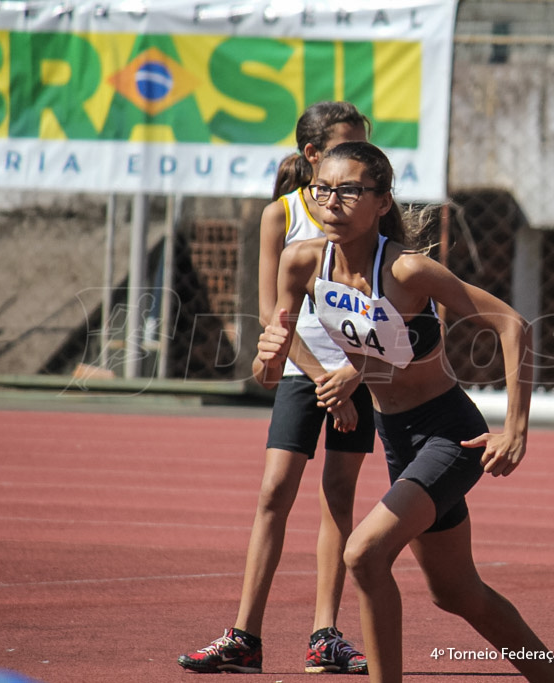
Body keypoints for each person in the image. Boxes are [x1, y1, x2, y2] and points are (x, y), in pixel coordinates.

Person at [256, 141, 554, 683]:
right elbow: (272, 361)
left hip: (451, 434)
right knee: (457, 592)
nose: (332, 201)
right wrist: (284, 362)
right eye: (323, 190)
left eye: (349, 190)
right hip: (396, 436)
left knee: (364, 554)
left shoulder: (407, 271)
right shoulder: (302, 261)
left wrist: (515, 431)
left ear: (381, 201)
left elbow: (511, 326)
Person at [179, 102, 373, 675]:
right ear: (315, 156)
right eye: (346, 148)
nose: (357, 161)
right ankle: (245, 637)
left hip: (360, 370)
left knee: (339, 497)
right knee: (274, 493)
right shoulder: (282, 215)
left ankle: (324, 637)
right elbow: (273, 316)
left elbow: (384, 301)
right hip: (304, 373)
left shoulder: (369, 211)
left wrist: (351, 377)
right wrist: (321, 381)